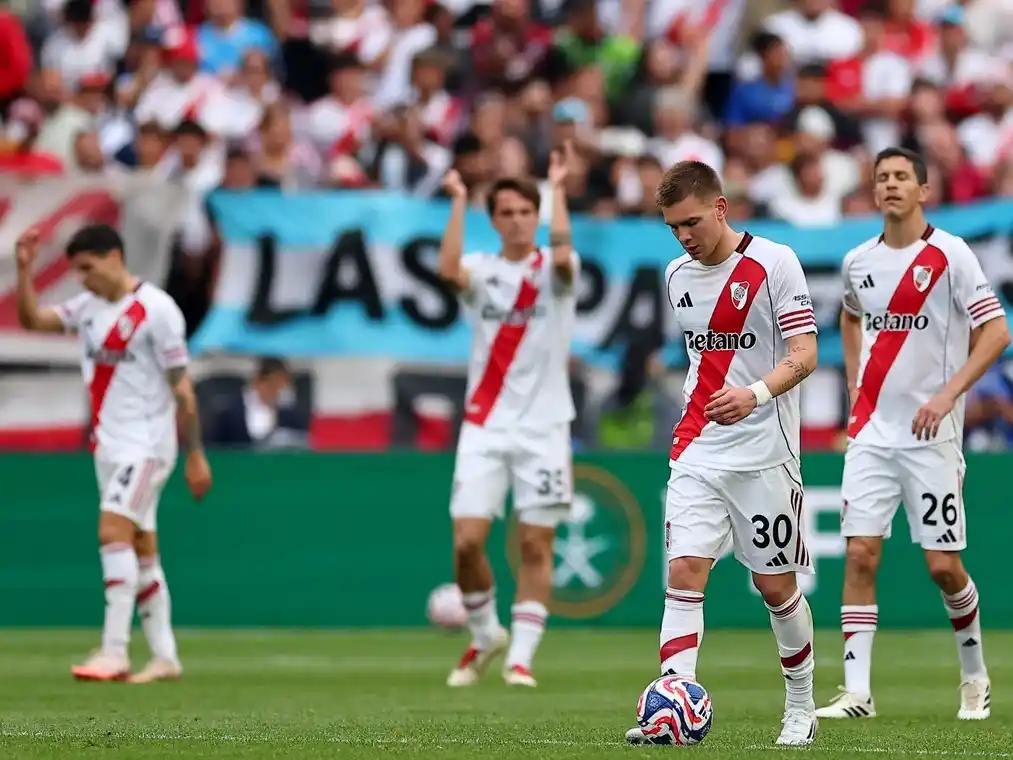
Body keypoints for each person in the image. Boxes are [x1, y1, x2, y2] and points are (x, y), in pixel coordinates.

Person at [625, 160, 820, 747]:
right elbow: (700, 358)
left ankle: (801, 706)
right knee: (683, 574)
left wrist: (754, 394)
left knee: (775, 588)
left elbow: (805, 353)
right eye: (671, 227)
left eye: (690, 222)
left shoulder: (774, 263)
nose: (683, 236)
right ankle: (670, 710)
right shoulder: (675, 276)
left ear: (720, 208)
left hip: (766, 452)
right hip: (697, 448)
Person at [816, 147, 1010, 722]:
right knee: (860, 555)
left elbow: (997, 331)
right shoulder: (858, 261)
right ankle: (857, 692)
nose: (892, 185)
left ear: (925, 190)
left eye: (903, 177)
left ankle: (974, 675)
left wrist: (951, 394)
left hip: (934, 437)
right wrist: (855, 386)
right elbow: (851, 315)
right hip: (873, 433)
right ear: (874, 192)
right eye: (883, 178)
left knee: (943, 568)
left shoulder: (951, 255)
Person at [14, 223, 212, 684]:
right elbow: (34, 321)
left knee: (112, 530)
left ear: (114, 257)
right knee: (143, 550)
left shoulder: (157, 310)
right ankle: (165, 656)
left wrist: (196, 453)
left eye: (87, 268)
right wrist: (24, 271)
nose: (82, 279)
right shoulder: (87, 308)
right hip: (109, 445)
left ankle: (114, 650)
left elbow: (182, 386)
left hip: (146, 445)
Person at [436, 142, 579, 689]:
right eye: (507, 213)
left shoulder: (555, 271)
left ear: (537, 216)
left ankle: (521, 656)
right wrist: (455, 200)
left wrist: (559, 187)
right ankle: (484, 632)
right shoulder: (481, 269)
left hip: (544, 426)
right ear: (492, 220)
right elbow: (448, 270)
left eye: (526, 212)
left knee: (534, 544)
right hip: (485, 423)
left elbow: (563, 258)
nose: (518, 221)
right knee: (467, 541)